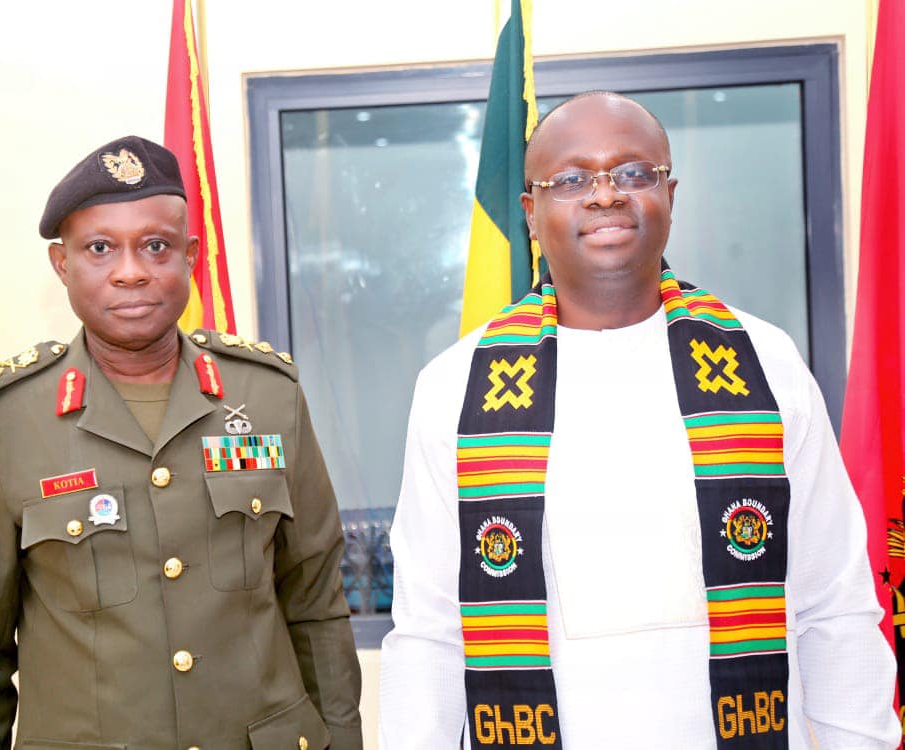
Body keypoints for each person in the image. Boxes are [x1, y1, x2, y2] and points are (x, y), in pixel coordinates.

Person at [378, 92, 898, 748]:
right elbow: (429, 632)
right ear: (531, 214)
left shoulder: (766, 365)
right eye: (571, 180)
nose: (606, 195)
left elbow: (834, 606)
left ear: (669, 196)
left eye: (633, 172)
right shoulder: (455, 386)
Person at [0, 135, 362, 750]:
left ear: (190, 257)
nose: (131, 271)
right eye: (100, 248)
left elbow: (316, 607)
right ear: (62, 264)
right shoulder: (4, 420)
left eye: (156, 246)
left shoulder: (268, 394)